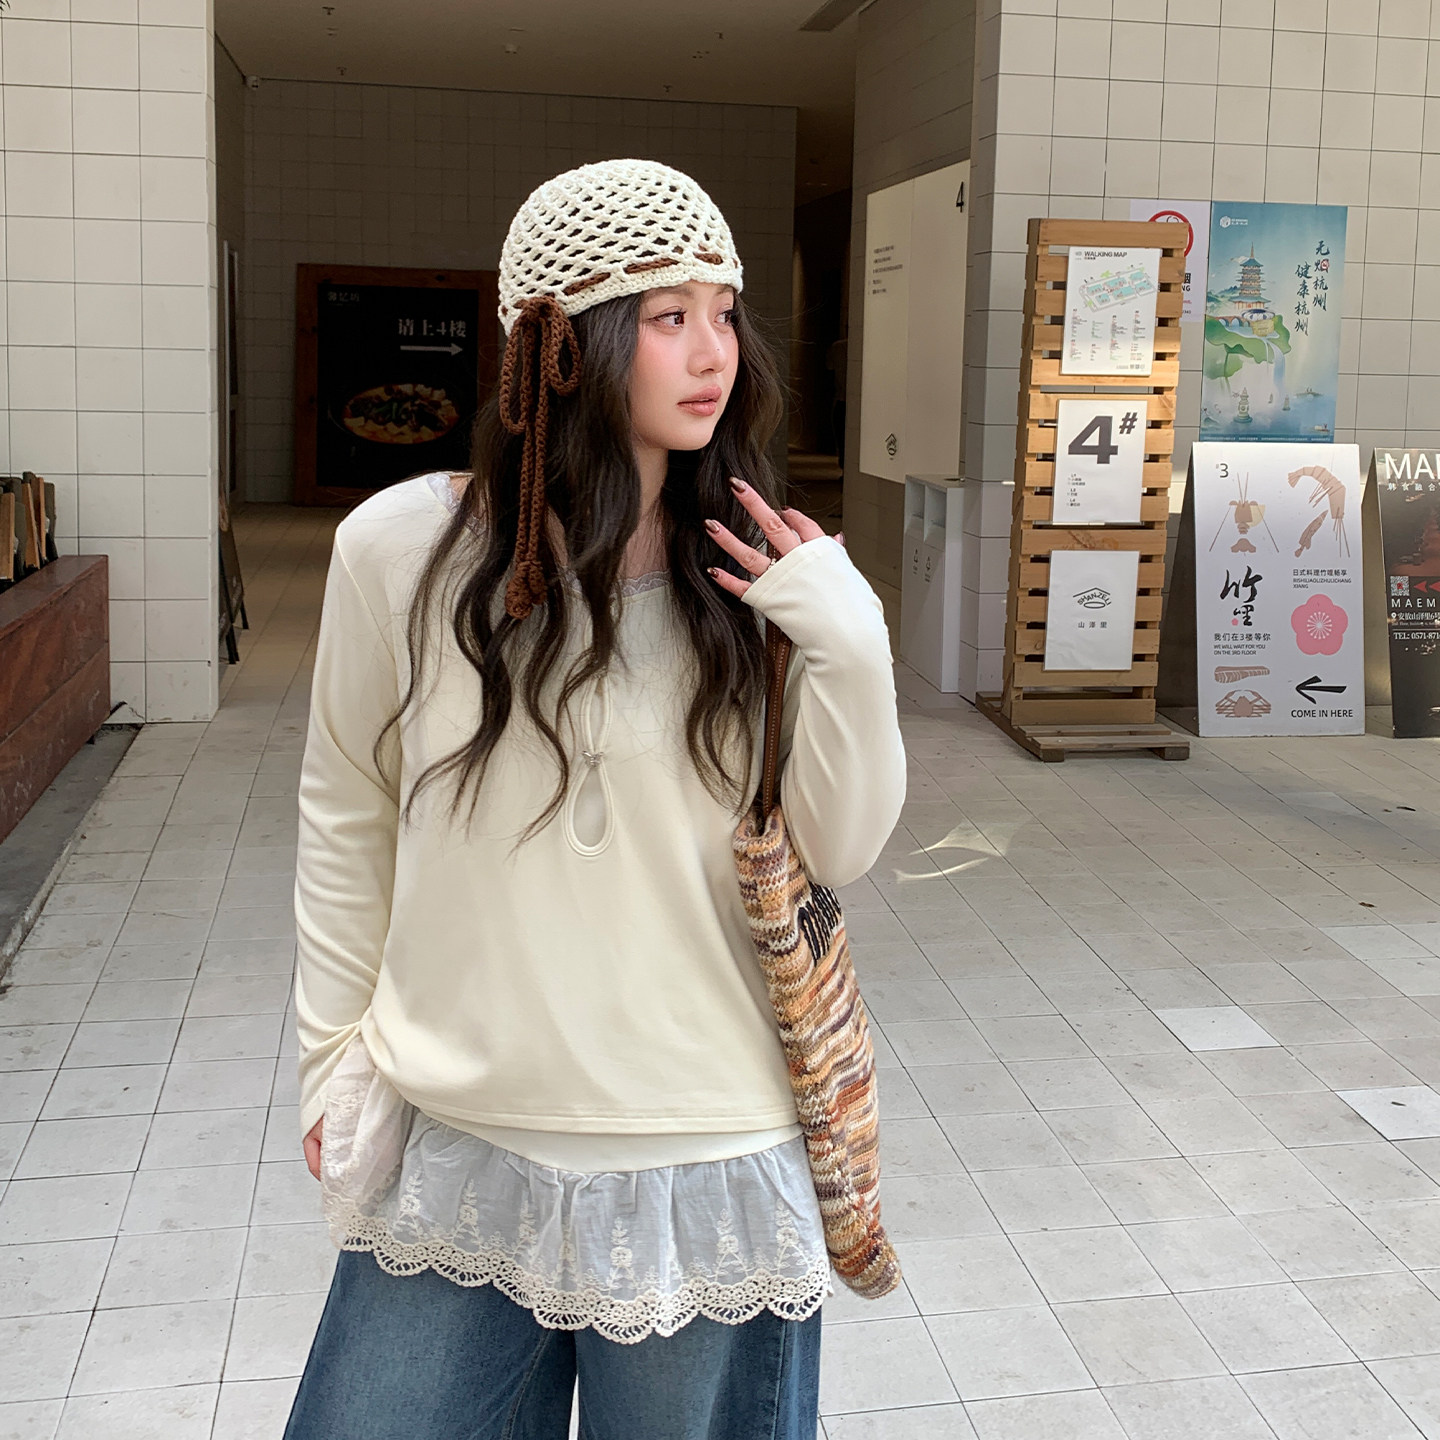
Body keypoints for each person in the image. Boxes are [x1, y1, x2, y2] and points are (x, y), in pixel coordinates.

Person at [283, 159, 907, 1440]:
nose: (714, 352)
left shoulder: (759, 574)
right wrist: (331, 1056)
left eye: (724, 313)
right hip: (459, 1134)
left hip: (704, 1150)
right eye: (668, 316)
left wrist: (851, 642)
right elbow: (346, 807)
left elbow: (839, 848)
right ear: (558, 347)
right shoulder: (399, 550)